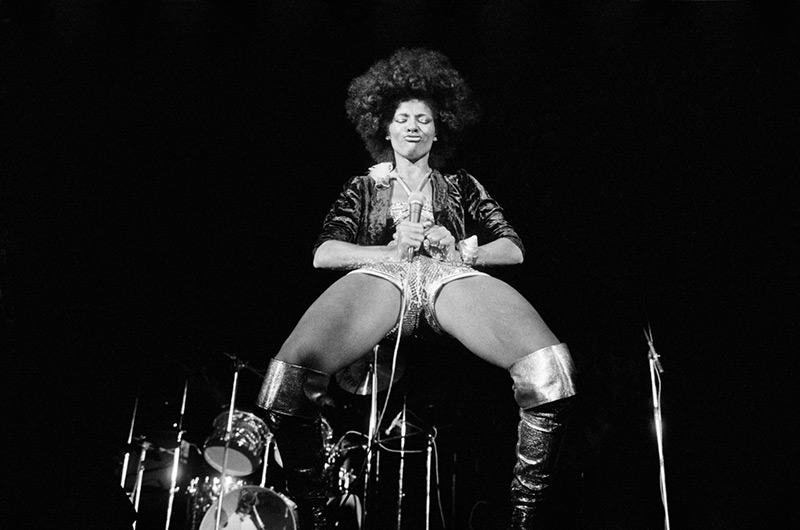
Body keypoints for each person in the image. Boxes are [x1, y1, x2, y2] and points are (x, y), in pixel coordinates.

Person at [256, 48, 577, 530]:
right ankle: (320, 515)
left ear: (437, 130)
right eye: (402, 118)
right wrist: (388, 251)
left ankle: (523, 519)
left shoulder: (461, 185)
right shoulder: (364, 188)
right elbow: (325, 253)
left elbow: (512, 248)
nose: (412, 127)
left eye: (423, 119)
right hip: (383, 279)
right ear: (383, 129)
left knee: (552, 373)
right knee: (284, 386)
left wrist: (462, 250)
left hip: (448, 277)